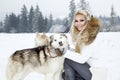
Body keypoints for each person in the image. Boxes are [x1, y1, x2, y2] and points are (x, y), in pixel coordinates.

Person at [63, 9, 101, 80]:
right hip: (90, 69)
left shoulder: (91, 35)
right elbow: (84, 52)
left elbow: (82, 59)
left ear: (88, 21)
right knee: (66, 74)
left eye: (81, 20)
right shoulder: (83, 34)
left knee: (68, 60)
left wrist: (63, 52)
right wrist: (69, 50)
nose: (78, 23)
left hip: (97, 73)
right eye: (76, 21)